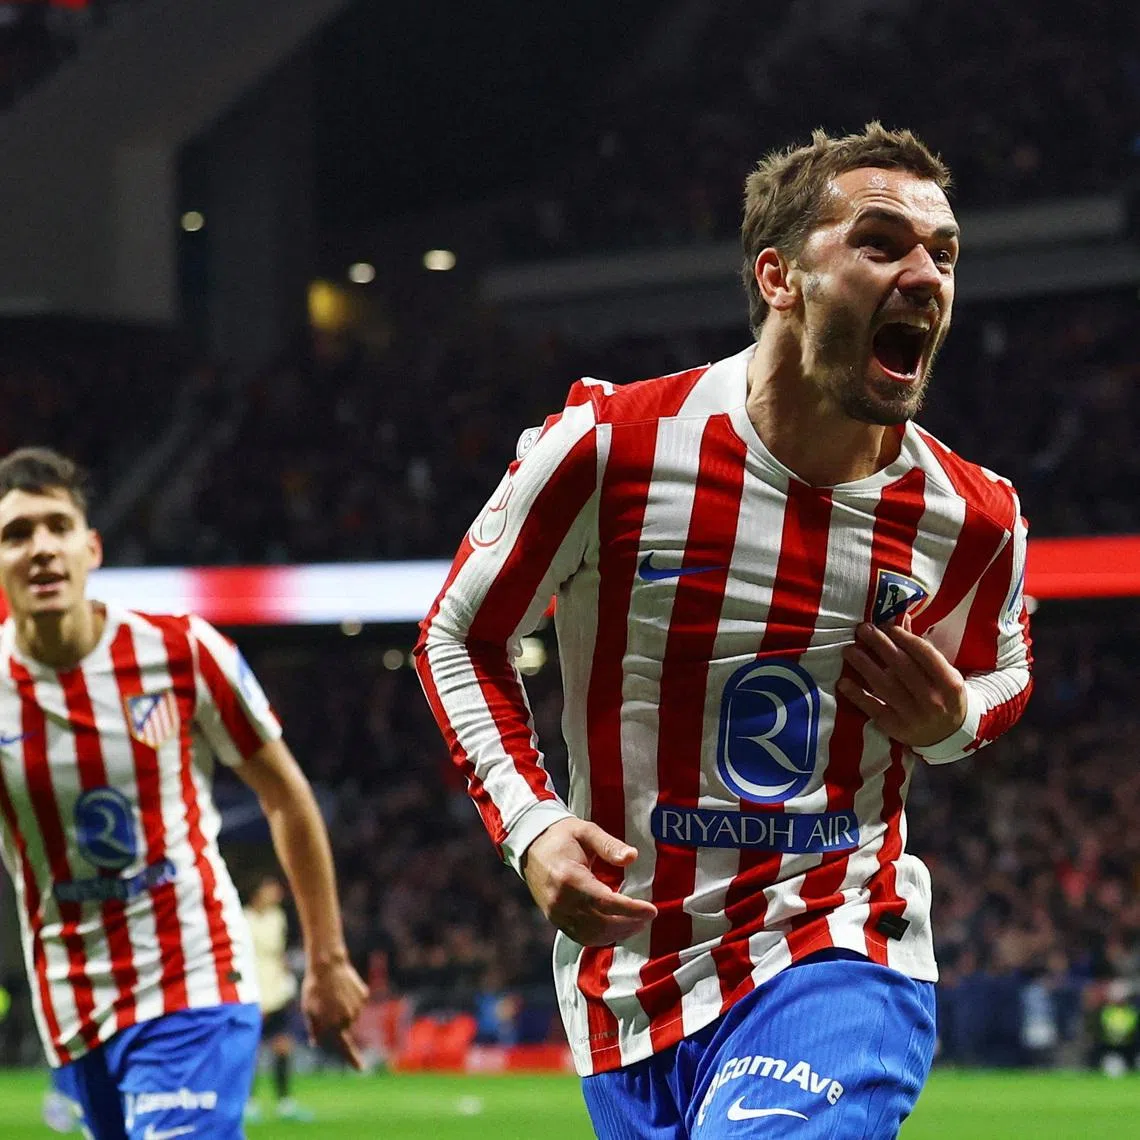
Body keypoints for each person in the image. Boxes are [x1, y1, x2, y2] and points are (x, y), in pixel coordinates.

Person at [415, 123, 1033, 1139]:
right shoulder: (610, 449)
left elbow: (1008, 668)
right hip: (632, 987)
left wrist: (956, 717)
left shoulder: (973, 517)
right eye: (881, 243)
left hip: (840, 945)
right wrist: (529, 826)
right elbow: (459, 635)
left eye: (944, 252)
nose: (926, 276)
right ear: (779, 277)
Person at [0, 447, 368, 1140]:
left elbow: (287, 796)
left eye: (57, 527)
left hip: (193, 978)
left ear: (91, 548)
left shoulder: (181, 652)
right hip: (72, 1003)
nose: (41, 547)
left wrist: (327, 960)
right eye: (17, 534)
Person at [243, 873, 313, 1122]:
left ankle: (285, 1102)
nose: (276, 893)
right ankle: (248, 1102)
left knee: (283, 1046)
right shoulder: (243, 918)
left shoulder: (278, 918)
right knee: (250, 1050)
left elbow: (281, 952)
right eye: (270, 888)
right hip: (253, 988)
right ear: (257, 891)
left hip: (277, 989)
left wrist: (287, 981)